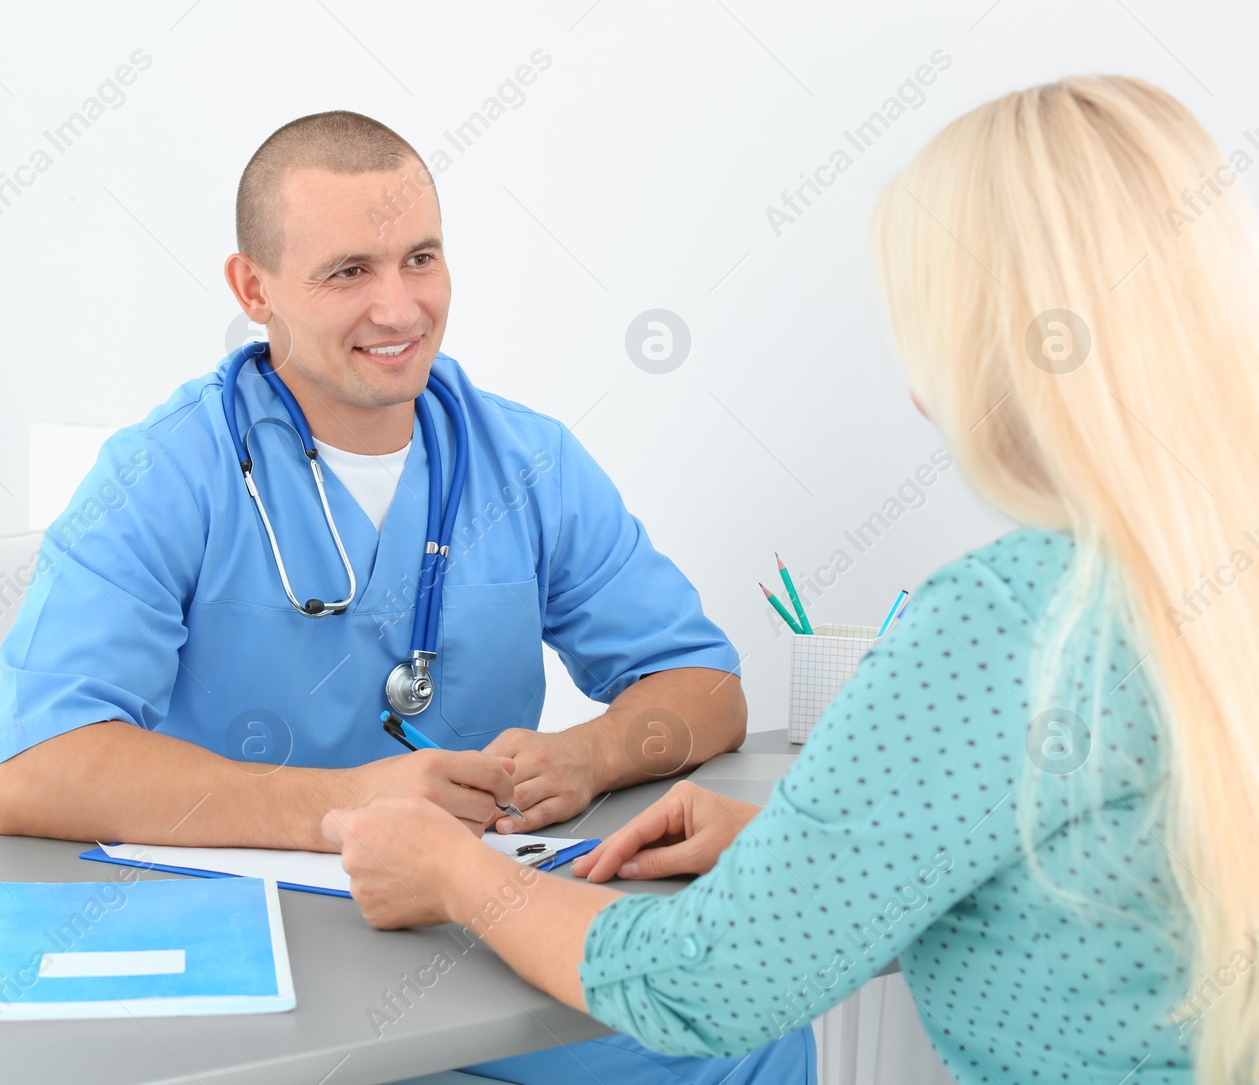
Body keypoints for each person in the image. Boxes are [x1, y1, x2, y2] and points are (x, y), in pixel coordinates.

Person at [326, 75, 1259, 1083]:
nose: (913, 386)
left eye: (924, 322)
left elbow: (704, 977)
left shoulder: (1009, 617)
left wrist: (460, 876)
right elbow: (1094, 874)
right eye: (347, 270)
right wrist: (798, 846)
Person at [0, 111, 813, 1082]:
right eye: (349, 272)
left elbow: (700, 683)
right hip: (246, 937)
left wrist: (589, 753)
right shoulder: (162, 472)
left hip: (470, 918)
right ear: (254, 287)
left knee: (740, 1032)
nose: (399, 307)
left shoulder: (525, 459)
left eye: (420, 258)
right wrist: (343, 806)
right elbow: (34, 768)